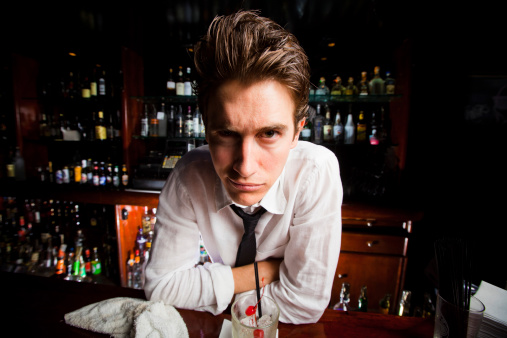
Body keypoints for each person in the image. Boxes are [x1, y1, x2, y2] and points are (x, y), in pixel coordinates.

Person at [144, 10, 342, 324]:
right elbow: (161, 288)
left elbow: (304, 305)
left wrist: (211, 291)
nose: (245, 167)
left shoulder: (315, 172)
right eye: (226, 134)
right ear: (206, 127)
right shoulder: (189, 175)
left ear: (297, 131)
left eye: (270, 133)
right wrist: (267, 272)